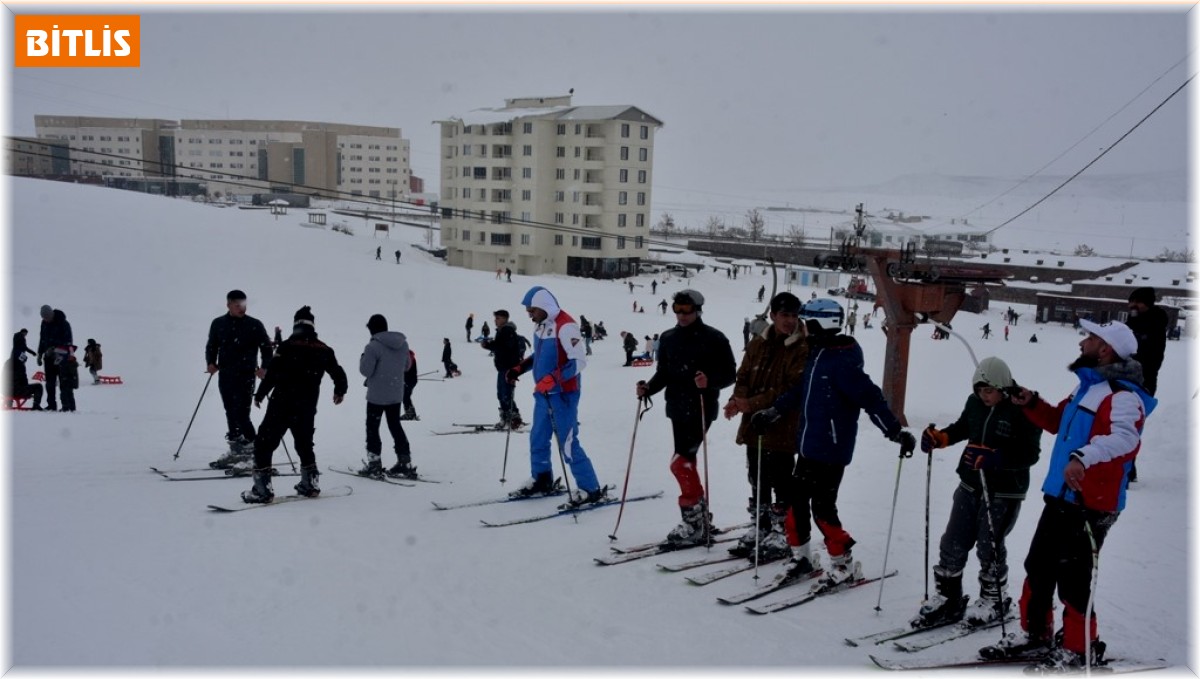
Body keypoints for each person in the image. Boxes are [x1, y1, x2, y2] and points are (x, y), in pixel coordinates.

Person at [986, 319, 1154, 669]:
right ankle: (1035, 633)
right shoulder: (1087, 389)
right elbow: (1057, 421)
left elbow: (1126, 440)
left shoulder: (1123, 396)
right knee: (1039, 566)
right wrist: (1030, 402)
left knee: (1074, 580)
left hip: (1092, 503)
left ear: (1105, 348)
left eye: (1090, 338)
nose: (1082, 342)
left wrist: (1083, 456)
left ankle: (1080, 648)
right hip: (1061, 496)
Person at [751, 298, 915, 586]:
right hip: (808, 446)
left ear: (820, 324)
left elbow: (871, 399)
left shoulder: (842, 362)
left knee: (823, 508)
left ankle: (844, 564)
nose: (802, 328)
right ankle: (801, 557)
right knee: (796, 502)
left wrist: (894, 431)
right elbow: (802, 390)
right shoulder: (818, 354)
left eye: (807, 323)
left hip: (831, 451)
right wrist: (775, 410)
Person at [911, 357, 1042, 629]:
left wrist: (996, 458)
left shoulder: (1022, 409)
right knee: (952, 541)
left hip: (1004, 492)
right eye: (980, 390)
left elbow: (1031, 454)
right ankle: (948, 597)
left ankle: (994, 599)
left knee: (988, 545)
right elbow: (963, 428)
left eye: (989, 391)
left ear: (1003, 388)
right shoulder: (975, 404)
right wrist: (941, 438)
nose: (984, 396)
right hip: (970, 483)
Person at [636, 289, 737, 546]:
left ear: (697, 310)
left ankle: (694, 522)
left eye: (686, 310)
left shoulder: (714, 338)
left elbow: (729, 374)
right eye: (677, 310)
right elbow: (664, 373)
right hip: (677, 408)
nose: (681, 315)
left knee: (681, 464)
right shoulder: (669, 338)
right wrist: (648, 387)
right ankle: (699, 517)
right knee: (684, 462)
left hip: (702, 407)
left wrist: (709, 381)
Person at [722, 292, 807, 561]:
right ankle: (761, 526)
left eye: (794, 316)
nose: (790, 321)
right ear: (773, 315)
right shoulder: (759, 343)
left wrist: (752, 403)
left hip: (783, 425)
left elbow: (791, 389)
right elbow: (743, 374)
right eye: (785, 315)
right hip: (754, 426)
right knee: (757, 477)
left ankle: (782, 532)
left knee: (781, 479)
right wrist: (737, 400)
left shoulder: (802, 347)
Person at [506, 286, 605, 505]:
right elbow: (539, 355)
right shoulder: (541, 326)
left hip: (563, 395)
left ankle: (590, 488)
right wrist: (519, 369)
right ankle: (542, 479)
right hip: (543, 394)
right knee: (538, 438)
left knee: (567, 442)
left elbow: (579, 361)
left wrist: (554, 378)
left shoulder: (566, 325)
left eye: (532, 310)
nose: (529, 314)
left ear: (544, 307)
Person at [242, 306, 348, 503]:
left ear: (295, 324)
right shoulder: (324, 349)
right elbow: (338, 372)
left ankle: (261, 489)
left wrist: (260, 394)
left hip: (282, 403)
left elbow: (272, 373)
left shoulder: (287, 347)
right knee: (304, 443)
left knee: (264, 443)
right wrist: (340, 390)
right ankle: (310, 484)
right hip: (307, 406)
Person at [205, 290, 273, 469]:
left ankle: (253, 450)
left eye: (244, 305)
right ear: (228, 305)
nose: (242, 308)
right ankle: (236, 450)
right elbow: (212, 345)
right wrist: (211, 363)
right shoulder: (218, 323)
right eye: (237, 305)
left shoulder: (254, 325)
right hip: (226, 374)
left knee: (242, 414)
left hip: (246, 375)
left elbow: (267, 349)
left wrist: (264, 367)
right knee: (230, 412)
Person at [357, 314, 418, 479]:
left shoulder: (372, 347)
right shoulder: (402, 344)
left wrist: (363, 359)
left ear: (371, 329)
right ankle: (404, 461)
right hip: (395, 394)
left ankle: (374, 464)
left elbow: (366, 371)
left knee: (372, 428)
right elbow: (407, 366)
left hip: (376, 395)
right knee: (395, 426)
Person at [480, 309, 525, 429]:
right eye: (495, 318)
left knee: (505, 393)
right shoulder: (502, 331)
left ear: (505, 319)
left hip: (509, 368)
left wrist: (489, 345)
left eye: (498, 318)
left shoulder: (507, 330)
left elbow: (504, 347)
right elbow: (501, 346)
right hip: (504, 368)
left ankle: (514, 418)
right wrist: (490, 345)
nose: (495, 320)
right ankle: (507, 417)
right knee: (502, 394)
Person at [1125, 287, 1167, 397]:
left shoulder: (1156, 322)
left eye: (1138, 302)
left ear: (1148, 304)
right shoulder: (1132, 320)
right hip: (1125, 373)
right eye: (1131, 302)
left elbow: (1153, 357)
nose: (1132, 305)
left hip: (1143, 379)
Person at [36, 305, 73, 412]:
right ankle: (51, 405)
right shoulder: (44, 324)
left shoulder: (64, 324)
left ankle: (66, 406)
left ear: (52, 314)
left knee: (64, 383)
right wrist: (39, 353)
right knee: (49, 384)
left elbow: (68, 342)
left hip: (62, 358)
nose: (46, 320)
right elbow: (42, 339)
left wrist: (54, 348)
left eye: (47, 317)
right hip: (48, 359)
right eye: (44, 318)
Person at [401, 349, 419, 421]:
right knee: (406, 396)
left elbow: (406, 369)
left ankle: (410, 414)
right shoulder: (410, 356)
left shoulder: (408, 357)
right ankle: (411, 413)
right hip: (411, 380)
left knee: (405, 396)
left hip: (408, 380)